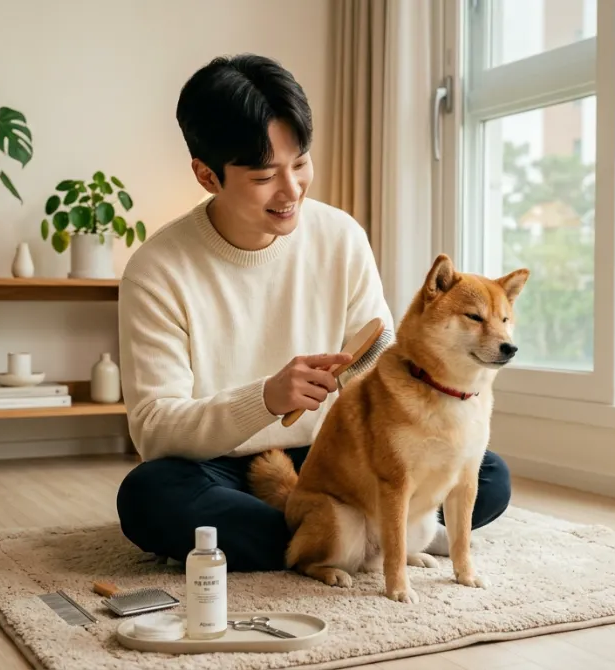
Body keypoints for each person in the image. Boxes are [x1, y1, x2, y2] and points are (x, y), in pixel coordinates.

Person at [114, 53, 511, 572]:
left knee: (488, 475)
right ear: (207, 175)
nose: (292, 190)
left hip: (338, 456)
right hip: (220, 468)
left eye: (300, 163)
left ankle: (343, 534)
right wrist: (267, 398)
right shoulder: (157, 269)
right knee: (148, 495)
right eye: (263, 177)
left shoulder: (340, 235)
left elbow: (379, 353)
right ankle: (375, 534)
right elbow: (156, 430)